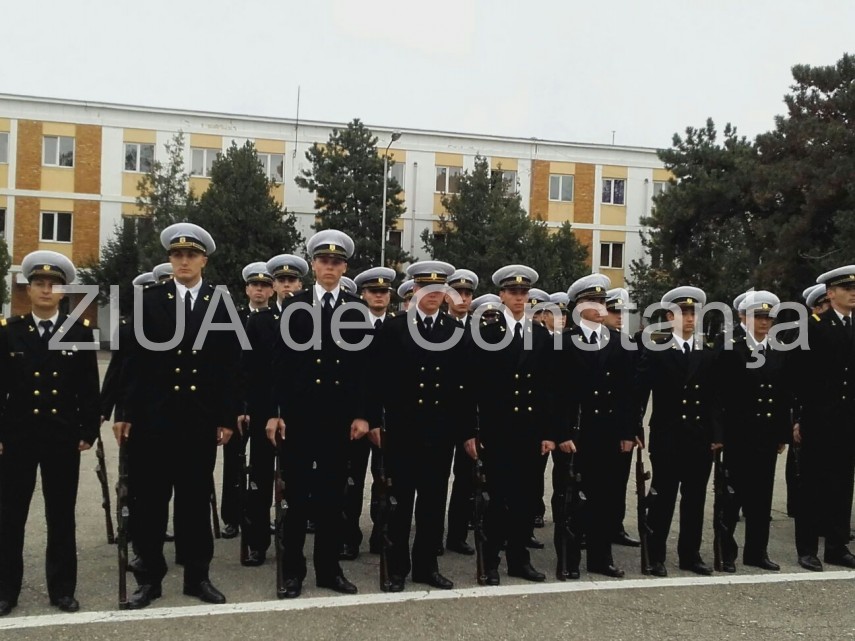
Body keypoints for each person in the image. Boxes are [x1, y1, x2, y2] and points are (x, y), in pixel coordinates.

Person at [117, 222, 240, 609]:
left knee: (194, 502)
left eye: (191, 255)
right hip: (154, 420)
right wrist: (125, 412)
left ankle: (197, 577)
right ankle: (149, 580)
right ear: (170, 260)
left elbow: (229, 366)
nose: (183, 261)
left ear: (204, 260)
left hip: (198, 421)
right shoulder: (149, 300)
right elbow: (132, 362)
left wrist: (226, 417)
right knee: (150, 503)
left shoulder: (221, 303)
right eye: (177, 255)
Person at [265, 229, 374, 598]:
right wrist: (275, 412)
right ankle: (293, 572)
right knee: (296, 499)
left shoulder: (355, 307)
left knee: (332, 498)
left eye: (336, 261)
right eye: (324, 260)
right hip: (299, 417)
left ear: (344, 268)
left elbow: (363, 368)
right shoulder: (293, 305)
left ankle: (329, 570)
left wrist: (362, 414)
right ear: (313, 265)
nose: (330, 266)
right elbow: (279, 363)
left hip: (337, 419)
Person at [0, 251, 100, 616]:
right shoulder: (9, 332)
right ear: (28, 290)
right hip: (18, 437)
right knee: (10, 516)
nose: (46, 290)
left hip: (62, 437)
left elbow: (89, 388)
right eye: (39, 284)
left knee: (61, 516)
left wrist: (88, 430)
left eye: (53, 285)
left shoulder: (79, 333)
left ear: (63, 292)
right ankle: (5, 590)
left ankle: (62, 590)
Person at [468, 265, 567, 585]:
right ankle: (491, 561)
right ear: (501, 295)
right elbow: (473, 387)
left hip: (530, 430)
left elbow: (549, 388)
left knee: (525, 498)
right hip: (497, 430)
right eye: (513, 292)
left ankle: (519, 559)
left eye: (524, 292)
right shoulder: (486, 333)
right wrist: (472, 430)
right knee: (496, 500)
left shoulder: (540, 335)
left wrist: (550, 433)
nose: (519, 297)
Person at [378, 261, 471, 591]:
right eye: (425, 288)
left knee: (432, 503)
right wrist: (375, 421)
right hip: (403, 431)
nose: (432, 294)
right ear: (415, 290)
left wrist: (466, 432)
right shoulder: (394, 328)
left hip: (439, 432)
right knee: (400, 504)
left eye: (438, 288)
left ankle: (426, 567)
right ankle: (397, 568)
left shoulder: (455, 331)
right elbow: (377, 380)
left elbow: (464, 388)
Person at [636, 286, 722, 577]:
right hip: (668, 436)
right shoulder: (657, 350)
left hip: (698, 436)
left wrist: (716, 435)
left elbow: (714, 398)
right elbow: (641, 392)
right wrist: (635, 427)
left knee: (695, 499)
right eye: (683, 313)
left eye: (693, 313)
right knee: (663, 497)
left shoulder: (706, 352)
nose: (689, 318)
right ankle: (655, 554)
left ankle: (690, 554)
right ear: (669, 317)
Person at [554, 274, 635, 579]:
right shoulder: (563, 343)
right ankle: (569, 559)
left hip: (608, 432)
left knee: (605, 497)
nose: (600, 306)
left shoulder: (620, 342)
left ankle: (601, 558)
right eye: (593, 301)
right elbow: (555, 394)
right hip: (577, 432)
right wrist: (561, 433)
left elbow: (628, 393)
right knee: (572, 499)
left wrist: (627, 432)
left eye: (602, 301)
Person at [716, 290, 789, 573]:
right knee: (731, 497)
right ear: (744, 317)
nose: (764, 322)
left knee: (761, 497)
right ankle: (726, 551)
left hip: (766, 434)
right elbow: (719, 395)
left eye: (769, 317)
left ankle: (757, 552)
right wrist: (718, 434)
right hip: (738, 435)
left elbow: (781, 394)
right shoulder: (730, 348)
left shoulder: (777, 348)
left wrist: (782, 433)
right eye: (758, 316)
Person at [790, 266, 855, 571]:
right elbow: (797, 377)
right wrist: (798, 417)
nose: (852, 294)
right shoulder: (811, 328)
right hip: (818, 419)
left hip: (847, 420)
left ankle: (836, 546)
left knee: (842, 485)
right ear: (831, 294)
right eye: (846, 289)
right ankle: (807, 549)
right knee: (812, 485)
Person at [339, 266, 397, 559]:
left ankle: (381, 534)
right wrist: (365, 416)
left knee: (385, 480)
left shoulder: (399, 327)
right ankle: (349, 537)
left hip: (390, 418)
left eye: (384, 291)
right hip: (357, 417)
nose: (379, 296)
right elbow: (350, 378)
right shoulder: (350, 325)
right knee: (351, 480)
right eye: (373, 291)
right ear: (362, 294)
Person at [221, 263, 275, 541]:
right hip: (236, 402)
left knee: (261, 466)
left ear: (271, 290)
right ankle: (232, 517)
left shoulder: (276, 319)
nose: (259, 290)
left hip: (262, 402)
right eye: (255, 285)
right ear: (247, 289)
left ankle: (258, 519)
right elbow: (228, 365)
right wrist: (235, 405)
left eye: (265, 286)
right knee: (233, 463)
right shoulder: (234, 319)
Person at [602, 287, 642, 549]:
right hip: (597, 423)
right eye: (614, 311)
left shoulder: (628, 343)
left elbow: (633, 392)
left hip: (621, 423)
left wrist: (634, 428)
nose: (619, 316)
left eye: (622, 312)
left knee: (619, 480)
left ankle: (615, 526)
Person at [443, 269, 478, 556]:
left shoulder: (482, 330)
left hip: (469, 415)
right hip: (442, 413)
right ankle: (431, 534)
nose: (463, 298)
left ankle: (457, 534)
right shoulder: (436, 327)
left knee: (466, 478)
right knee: (435, 479)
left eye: (467, 294)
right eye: (458, 293)